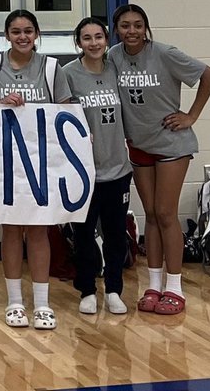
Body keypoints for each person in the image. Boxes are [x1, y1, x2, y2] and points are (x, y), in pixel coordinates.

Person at [108, 3, 210, 316]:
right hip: (138, 145)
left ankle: (175, 287)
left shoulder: (165, 53)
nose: (132, 31)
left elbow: (207, 74)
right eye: (125, 25)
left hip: (171, 145)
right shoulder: (113, 56)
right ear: (117, 28)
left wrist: (191, 115)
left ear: (146, 28)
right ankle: (153, 285)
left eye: (138, 25)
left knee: (167, 214)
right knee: (151, 215)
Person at [0, 9, 71, 330]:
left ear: (37, 34)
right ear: (7, 36)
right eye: (16, 32)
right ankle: (15, 301)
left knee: (39, 229)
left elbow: (67, 111)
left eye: (28, 31)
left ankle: (42, 303)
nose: (23, 37)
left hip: (41, 160)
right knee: (11, 229)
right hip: (4, 159)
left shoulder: (52, 67)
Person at [63, 17, 132, 316]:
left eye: (99, 37)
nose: (93, 43)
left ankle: (114, 288)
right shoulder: (68, 74)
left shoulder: (116, 68)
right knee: (84, 234)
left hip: (117, 168)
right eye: (87, 38)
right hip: (83, 170)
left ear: (107, 40)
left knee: (116, 233)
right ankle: (87, 289)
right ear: (78, 42)